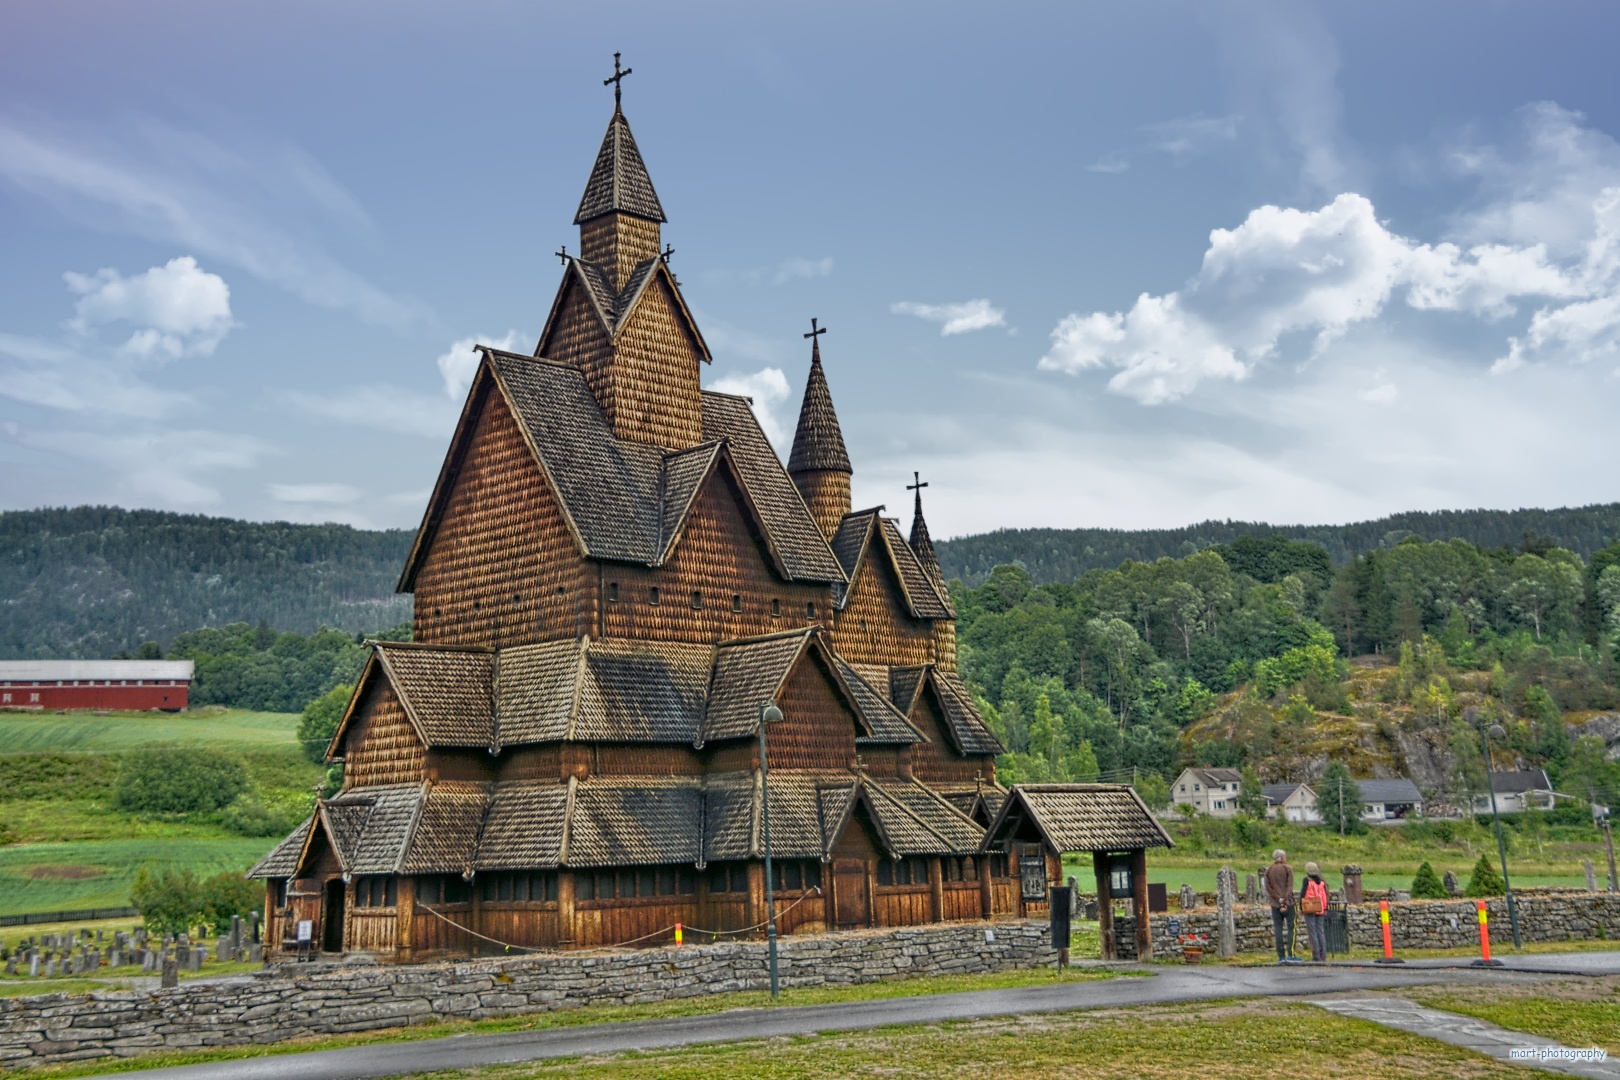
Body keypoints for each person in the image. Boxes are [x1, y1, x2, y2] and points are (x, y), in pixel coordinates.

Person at [1264, 849, 1295, 961]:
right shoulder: (1288, 869)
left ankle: (1281, 956)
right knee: (1291, 928)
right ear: (1282, 858)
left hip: (1275, 904)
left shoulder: (1268, 870)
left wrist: (1278, 899)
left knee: (1278, 929)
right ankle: (1291, 953)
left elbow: (1268, 888)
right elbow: (1289, 886)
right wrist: (1285, 899)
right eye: (1285, 857)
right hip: (1289, 903)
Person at [1300, 861, 1329, 962]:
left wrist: (1301, 908)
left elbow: (1303, 894)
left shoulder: (1307, 880)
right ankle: (1323, 954)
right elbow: (1325, 896)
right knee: (1320, 932)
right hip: (1320, 908)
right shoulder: (1322, 882)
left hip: (1310, 907)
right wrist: (1325, 908)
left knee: (1312, 932)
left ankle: (1316, 955)